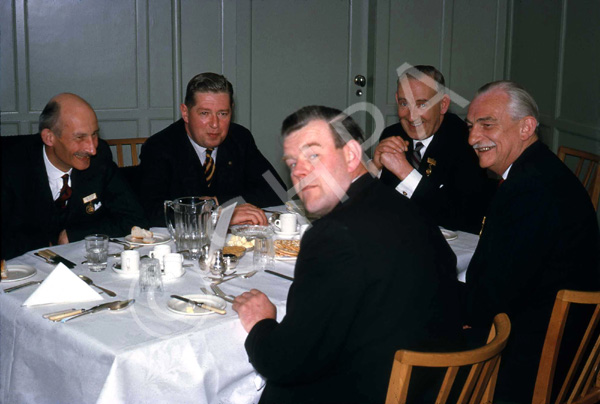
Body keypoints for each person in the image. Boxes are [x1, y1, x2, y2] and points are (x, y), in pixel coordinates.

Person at [233, 106, 463, 404]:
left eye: (313, 155)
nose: (298, 172)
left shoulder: (333, 235)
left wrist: (261, 321)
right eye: (292, 162)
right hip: (429, 388)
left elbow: (282, 363)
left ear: (352, 155)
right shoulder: (407, 208)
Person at [463, 81, 600, 403]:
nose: (472, 138)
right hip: (557, 332)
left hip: (541, 355)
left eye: (487, 124)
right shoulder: (537, 170)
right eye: (470, 126)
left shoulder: (530, 190)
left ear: (526, 127)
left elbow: (496, 294)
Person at [1, 93, 147, 260]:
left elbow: (136, 219)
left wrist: (75, 235)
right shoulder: (10, 165)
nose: (92, 149)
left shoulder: (99, 159)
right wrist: (47, 242)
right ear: (49, 137)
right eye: (80, 137)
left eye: (94, 135)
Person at [139, 72, 285, 227]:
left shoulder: (240, 138)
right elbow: (151, 212)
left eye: (223, 113)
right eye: (204, 113)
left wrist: (218, 203)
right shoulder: (159, 147)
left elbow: (277, 189)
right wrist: (216, 217)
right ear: (185, 113)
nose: (215, 124)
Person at [373, 65, 490, 233]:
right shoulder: (392, 134)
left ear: (443, 105)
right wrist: (374, 169)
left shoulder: (466, 142)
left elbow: (462, 217)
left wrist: (406, 173)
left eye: (421, 105)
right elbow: (377, 203)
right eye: (404, 103)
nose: (411, 116)